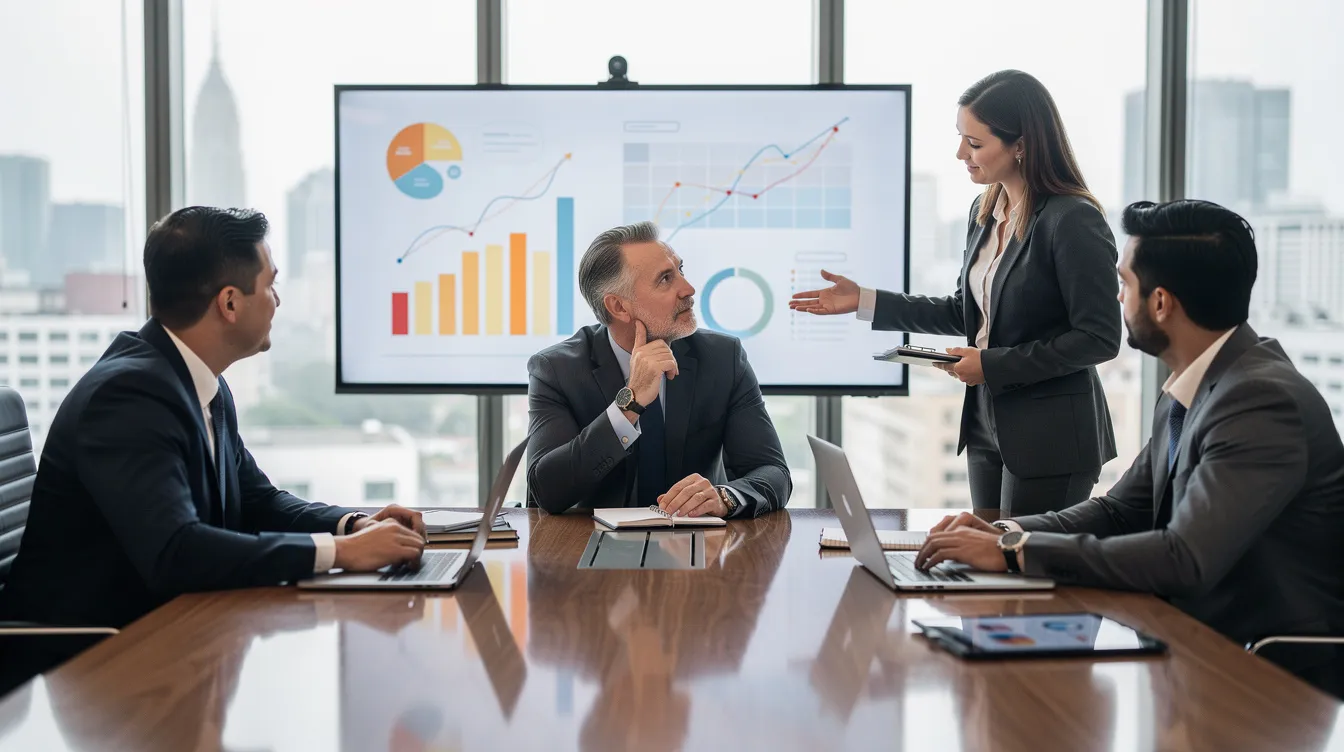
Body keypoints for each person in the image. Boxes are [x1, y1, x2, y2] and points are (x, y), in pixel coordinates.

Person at [915, 199, 1344, 697]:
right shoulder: (1199, 385)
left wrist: (1013, 552)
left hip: (1268, 678)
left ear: (1160, 302)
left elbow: (1183, 557)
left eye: (1124, 284)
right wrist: (1002, 531)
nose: (1117, 299)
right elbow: (1120, 512)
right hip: (1193, 648)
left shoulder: (1259, 400)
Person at [0, 207, 427, 651]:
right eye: (270, 285)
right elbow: (176, 551)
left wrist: (351, 526)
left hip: (169, 633)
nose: (277, 301)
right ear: (229, 303)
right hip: (84, 659)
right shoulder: (127, 397)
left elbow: (257, 501)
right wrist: (340, 555)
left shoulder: (200, 381)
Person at [790, 70, 1121, 517]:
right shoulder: (985, 211)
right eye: (961, 138)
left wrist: (991, 364)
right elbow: (964, 312)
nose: (960, 153)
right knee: (984, 564)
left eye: (975, 143)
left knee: (1023, 574)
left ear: (1021, 144)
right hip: (987, 423)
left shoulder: (1071, 220)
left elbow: (1098, 338)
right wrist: (864, 300)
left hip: (1051, 436)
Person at [526, 220, 791, 516]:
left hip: (701, 545)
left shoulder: (723, 357)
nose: (688, 288)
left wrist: (725, 497)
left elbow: (773, 472)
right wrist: (630, 402)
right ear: (618, 307)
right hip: (591, 545)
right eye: (665, 279)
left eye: (680, 270)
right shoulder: (556, 369)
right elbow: (546, 489)